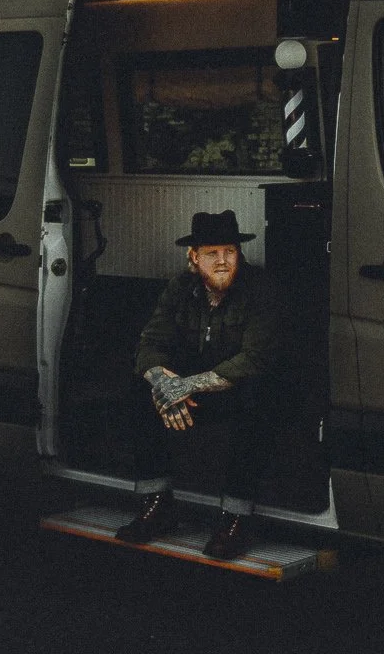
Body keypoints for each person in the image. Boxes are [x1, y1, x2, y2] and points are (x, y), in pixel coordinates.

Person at [116, 209, 288, 560]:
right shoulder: (180, 287)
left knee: (261, 397)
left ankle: (235, 517)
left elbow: (255, 359)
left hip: (240, 388)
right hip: (195, 394)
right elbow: (149, 344)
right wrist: (164, 386)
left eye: (230, 251)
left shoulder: (260, 289)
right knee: (141, 390)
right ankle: (158, 503)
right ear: (193, 257)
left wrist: (189, 386)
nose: (222, 261)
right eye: (211, 253)